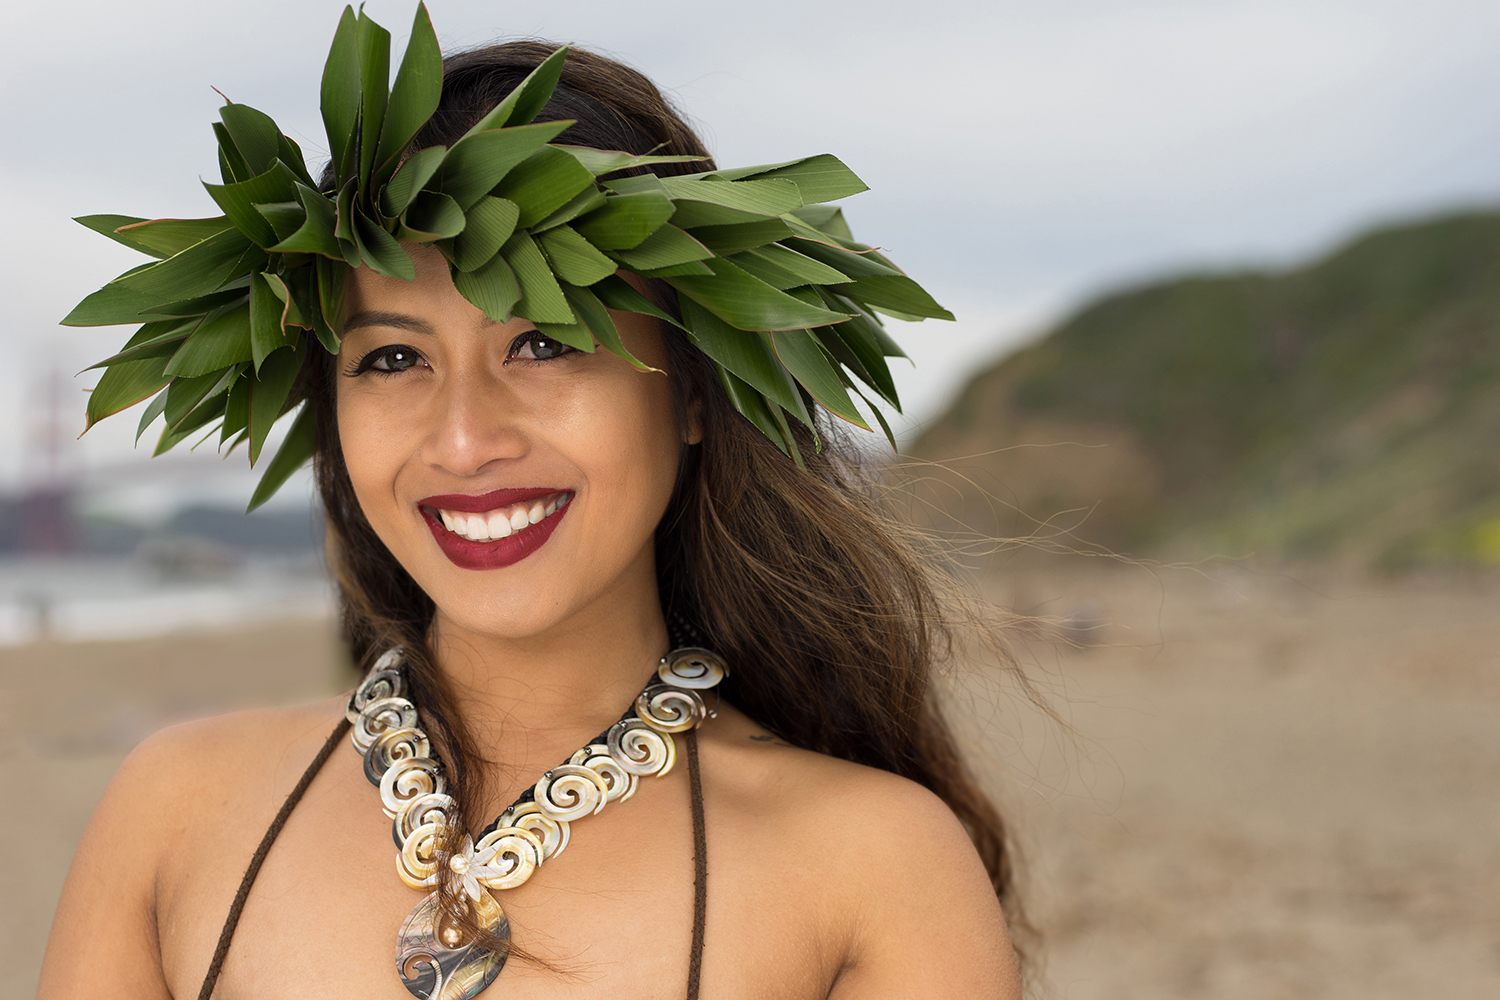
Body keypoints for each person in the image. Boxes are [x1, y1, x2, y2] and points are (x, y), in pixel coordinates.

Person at [39, 8, 1026, 998]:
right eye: (392, 358)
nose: (464, 440)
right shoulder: (175, 812)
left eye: (544, 341)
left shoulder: (876, 870)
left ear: (689, 388)